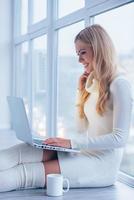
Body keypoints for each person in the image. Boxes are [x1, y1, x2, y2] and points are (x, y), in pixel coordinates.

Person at [0, 24, 133, 192]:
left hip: (102, 164)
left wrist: (71, 143)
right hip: (83, 151)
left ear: (99, 49)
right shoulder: (93, 83)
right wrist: (81, 91)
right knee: (22, 151)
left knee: (23, 173)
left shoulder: (120, 84)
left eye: (83, 52)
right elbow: (81, 127)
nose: (79, 60)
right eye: (78, 54)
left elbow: (119, 139)